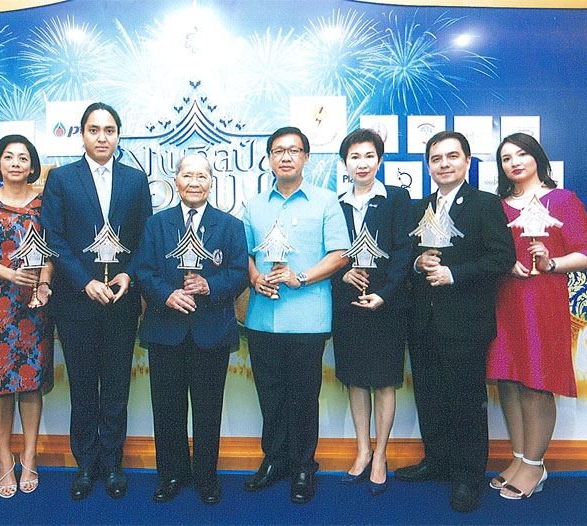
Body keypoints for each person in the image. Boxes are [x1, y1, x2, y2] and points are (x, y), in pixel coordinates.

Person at [394, 131, 515, 513]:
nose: (443, 163)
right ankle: (437, 461)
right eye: (436, 158)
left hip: (466, 322)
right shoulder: (419, 208)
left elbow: (501, 258)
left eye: (452, 156)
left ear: (466, 162)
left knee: (465, 401)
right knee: (428, 396)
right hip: (423, 321)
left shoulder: (485, 204)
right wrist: (419, 263)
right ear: (428, 166)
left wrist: (453, 273)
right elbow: (406, 256)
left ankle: (467, 477)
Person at [40, 102, 152, 501]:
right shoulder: (61, 179)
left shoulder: (135, 181)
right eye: (93, 129)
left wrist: (128, 273)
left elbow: (145, 239)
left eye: (109, 130)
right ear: (82, 135)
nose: (102, 137)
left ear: (119, 135)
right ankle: (86, 464)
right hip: (75, 302)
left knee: (117, 388)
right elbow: (54, 238)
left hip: (122, 302)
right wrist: (85, 281)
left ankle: (114, 463)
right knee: (84, 388)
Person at [486, 133, 587, 500]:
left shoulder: (563, 200)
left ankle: (535, 466)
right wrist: (507, 264)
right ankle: (519, 458)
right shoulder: (497, 206)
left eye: (521, 154)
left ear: (537, 157)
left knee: (535, 384)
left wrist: (551, 264)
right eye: (506, 158)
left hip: (542, 302)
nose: (514, 162)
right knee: (508, 380)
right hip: (503, 300)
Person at [242, 126, 350, 504]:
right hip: (261, 318)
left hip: (308, 319)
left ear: (306, 157)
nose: (285, 157)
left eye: (293, 150)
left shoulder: (325, 201)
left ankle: (304, 466)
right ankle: (273, 461)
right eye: (278, 151)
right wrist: (255, 278)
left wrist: (299, 278)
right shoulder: (254, 205)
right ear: (269, 159)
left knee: (304, 397)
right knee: (269, 396)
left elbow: (340, 255)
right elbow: (245, 255)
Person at [135, 154, 248, 505]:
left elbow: (240, 272)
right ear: (176, 180)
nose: (194, 182)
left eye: (202, 175)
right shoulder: (157, 224)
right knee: (166, 408)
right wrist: (167, 294)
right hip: (165, 330)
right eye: (187, 175)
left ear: (211, 182)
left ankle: (206, 477)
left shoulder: (229, 226)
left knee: (208, 408)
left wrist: (210, 286)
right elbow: (143, 270)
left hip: (211, 331)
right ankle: (170, 474)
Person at [0, 135, 54, 499]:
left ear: (32, 165)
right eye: (8, 157)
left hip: (35, 305)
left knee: (30, 382)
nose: (16, 163)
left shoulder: (44, 204)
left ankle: (29, 456)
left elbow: (52, 252)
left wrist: (43, 284)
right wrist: (10, 274)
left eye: (23, 158)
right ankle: (4, 459)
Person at [330, 129, 413, 496]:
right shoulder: (335, 203)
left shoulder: (397, 198)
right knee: (355, 378)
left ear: (380, 160)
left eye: (369, 156)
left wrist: (383, 294)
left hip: (387, 307)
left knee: (383, 380)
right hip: (348, 304)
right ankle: (362, 450)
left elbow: (403, 254)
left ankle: (381, 455)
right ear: (344, 162)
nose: (361, 163)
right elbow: (327, 253)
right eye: (354, 157)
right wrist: (341, 272)